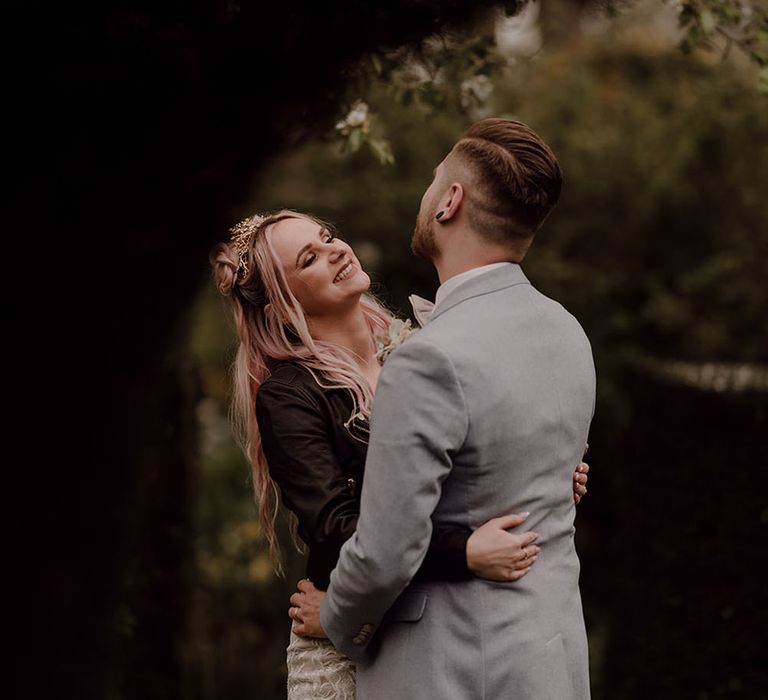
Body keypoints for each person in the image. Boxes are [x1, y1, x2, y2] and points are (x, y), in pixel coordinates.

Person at [209, 205, 590, 699]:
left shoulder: (422, 348)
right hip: (349, 647)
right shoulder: (290, 395)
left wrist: (549, 474)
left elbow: (481, 466)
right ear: (283, 305)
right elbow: (337, 529)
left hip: (451, 627)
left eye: (326, 238)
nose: (335, 252)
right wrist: (464, 553)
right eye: (309, 259)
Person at [290, 118, 597, 700]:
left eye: (435, 181)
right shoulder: (568, 332)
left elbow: (385, 551)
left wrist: (336, 616)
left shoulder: (430, 359)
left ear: (450, 201)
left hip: (456, 667)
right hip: (551, 657)